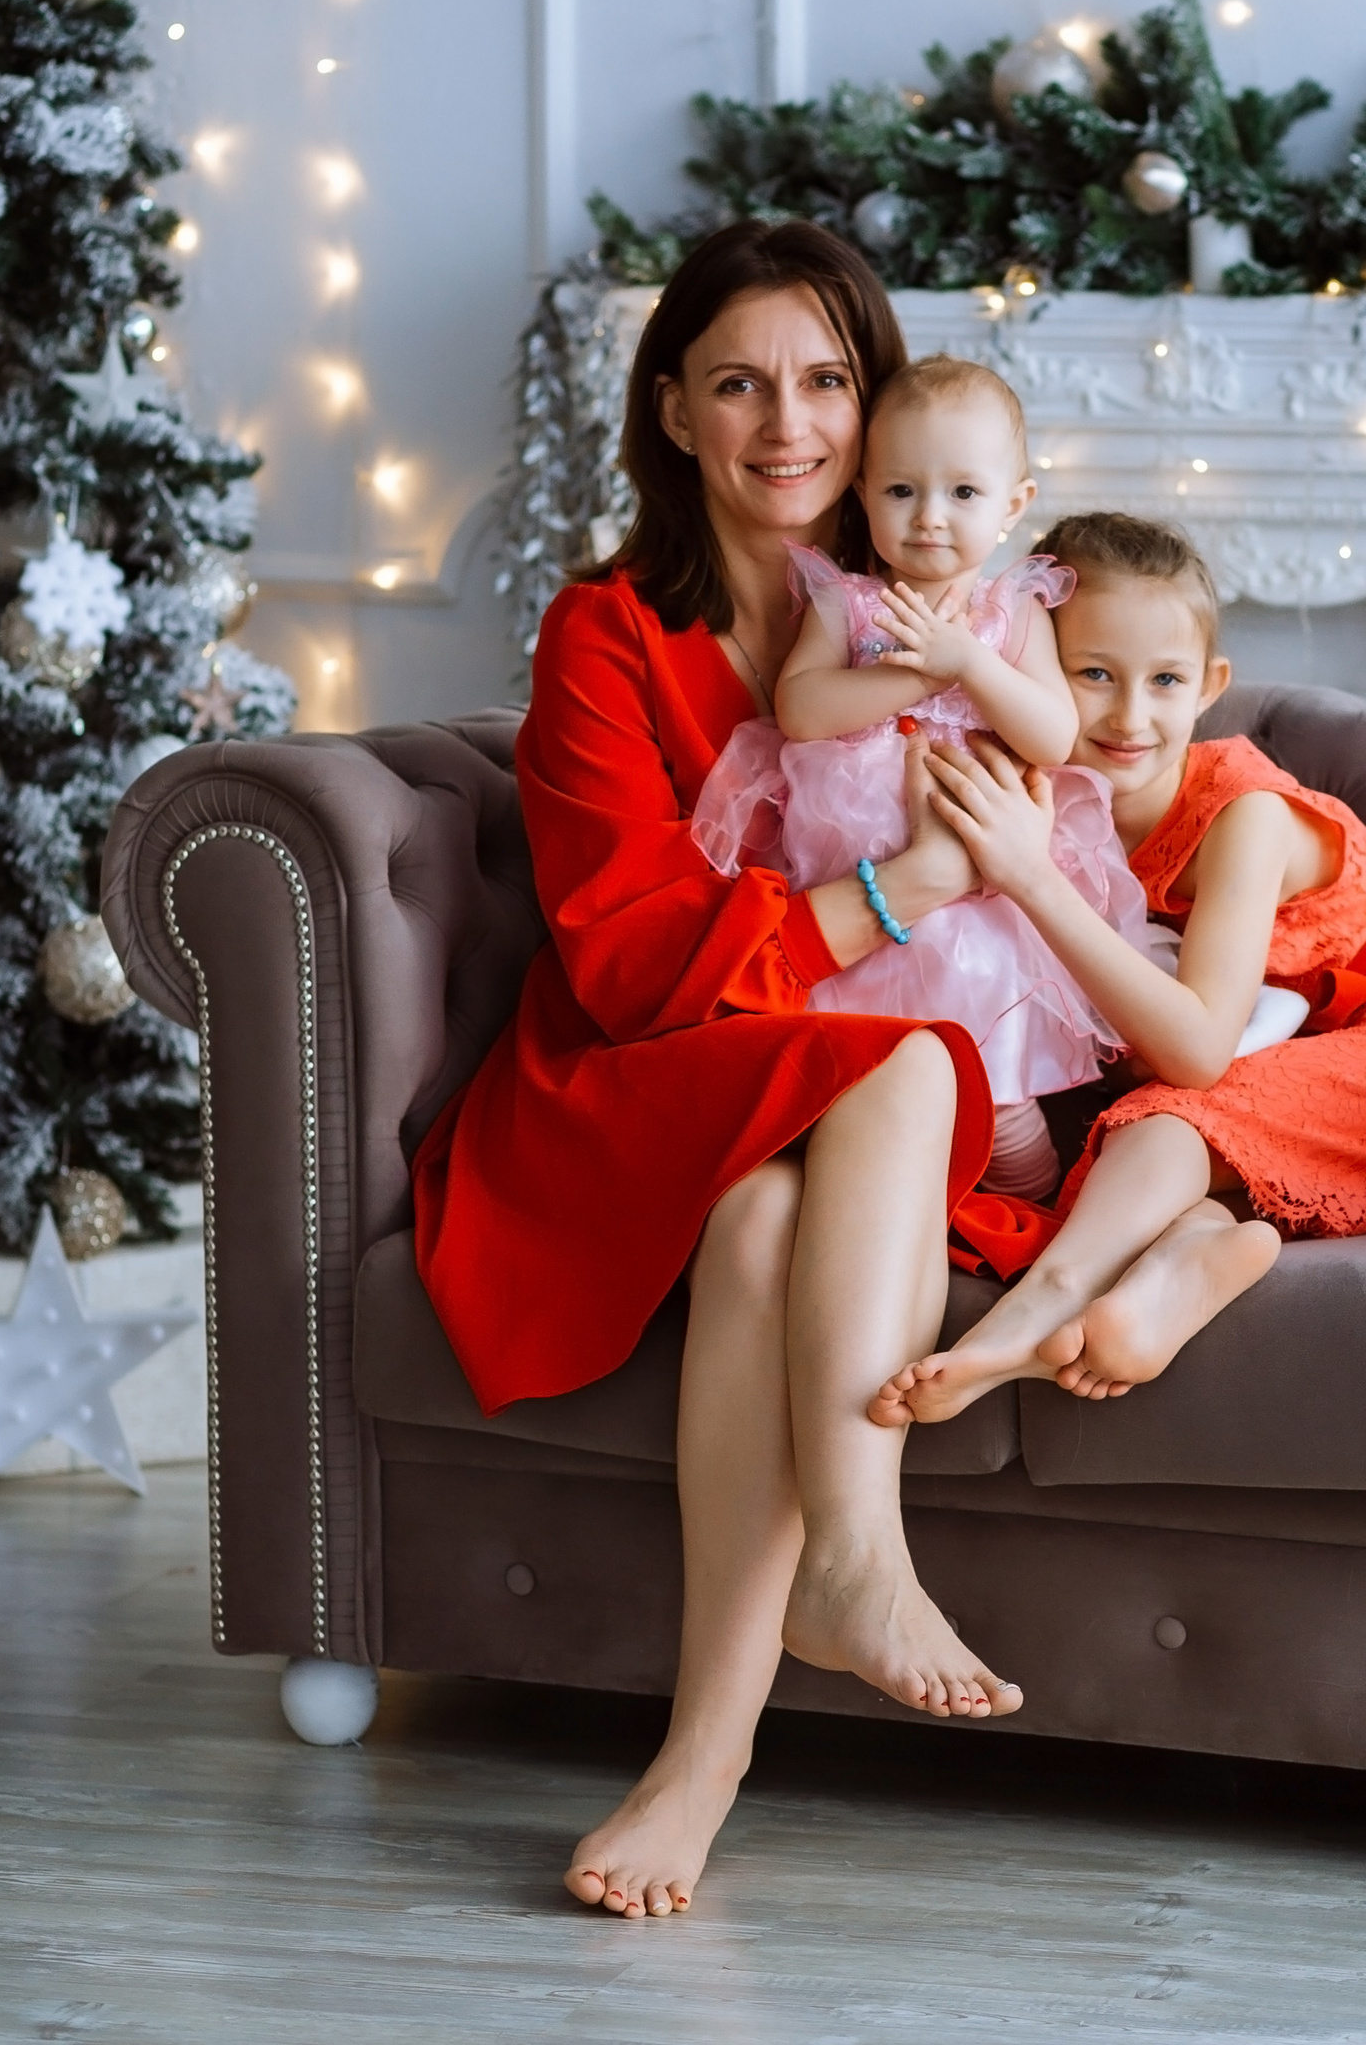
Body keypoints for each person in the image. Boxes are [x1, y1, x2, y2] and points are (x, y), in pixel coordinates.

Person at [412, 220, 1023, 1928]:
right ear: (673, 410)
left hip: (798, 1093)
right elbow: (626, 961)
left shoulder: (938, 607)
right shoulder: (604, 633)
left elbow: (1103, 761)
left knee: (767, 1225)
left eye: (827, 380)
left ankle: (701, 1763)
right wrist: (901, 890)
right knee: (902, 1071)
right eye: (740, 384)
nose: (790, 425)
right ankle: (860, 1555)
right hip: (634, 1072)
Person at [871, 511, 1366, 1427]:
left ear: (1209, 687)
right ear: (1028, 667)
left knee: (1174, 1109)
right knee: (1152, 1132)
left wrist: (1030, 877)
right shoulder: (1031, 800)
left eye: (1165, 680)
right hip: (1280, 1094)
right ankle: (1190, 1256)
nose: (1130, 716)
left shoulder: (1242, 813)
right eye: (1092, 675)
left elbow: (1195, 1051)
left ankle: (1042, 1302)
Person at [691, 354, 1148, 1205]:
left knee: (998, 1098)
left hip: (979, 903)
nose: (930, 517)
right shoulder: (848, 603)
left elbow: (1052, 735)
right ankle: (901, 1218)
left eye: (963, 493)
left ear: (1014, 503)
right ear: (863, 493)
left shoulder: (1013, 612)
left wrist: (967, 661)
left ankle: (1025, 1223)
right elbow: (801, 708)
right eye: (902, 491)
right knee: (869, 1077)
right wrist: (916, 678)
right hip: (861, 889)